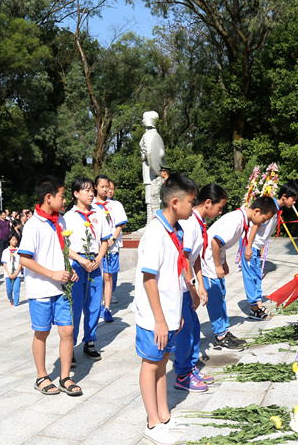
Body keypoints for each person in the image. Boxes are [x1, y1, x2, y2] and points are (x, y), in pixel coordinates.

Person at [135, 172, 197, 445]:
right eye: (191, 202)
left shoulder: (176, 230)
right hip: (153, 316)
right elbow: (149, 279)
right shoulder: (156, 233)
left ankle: (164, 416)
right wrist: (160, 320)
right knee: (151, 364)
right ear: (175, 202)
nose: (193, 207)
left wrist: (176, 313)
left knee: (162, 364)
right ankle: (152, 423)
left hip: (169, 313)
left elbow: (174, 275)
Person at [19, 175, 80, 397]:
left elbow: (62, 250)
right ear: (48, 197)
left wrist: (69, 268)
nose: (64, 201)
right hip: (41, 289)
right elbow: (24, 259)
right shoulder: (33, 225)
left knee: (67, 331)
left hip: (61, 289)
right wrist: (52, 274)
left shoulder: (60, 221)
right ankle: (41, 376)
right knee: (42, 332)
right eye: (62, 196)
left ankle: (65, 377)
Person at [201, 195, 277, 351]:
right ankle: (220, 336)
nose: (262, 223)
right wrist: (218, 265)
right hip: (208, 263)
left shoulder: (242, 219)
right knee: (215, 298)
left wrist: (224, 262)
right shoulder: (236, 220)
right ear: (257, 211)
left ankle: (223, 331)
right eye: (263, 219)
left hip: (214, 260)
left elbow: (222, 244)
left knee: (220, 295)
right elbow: (215, 241)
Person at [173, 183, 228, 392]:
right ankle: (182, 374)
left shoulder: (199, 223)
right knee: (185, 330)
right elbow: (184, 258)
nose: (220, 212)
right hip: (180, 285)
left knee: (194, 327)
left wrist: (201, 285)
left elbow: (196, 259)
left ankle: (190, 367)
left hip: (189, 284)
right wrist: (192, 288)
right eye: (220, 207)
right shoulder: (189, 224)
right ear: (208, 203)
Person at [64, 177, 111, 363]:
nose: (91, 194)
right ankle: (70, 346)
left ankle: (90, 341)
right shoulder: (68, 217)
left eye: (92, 190)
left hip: (95, 263)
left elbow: (105, 240)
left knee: (93, 305)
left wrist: (98, 259)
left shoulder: (98, 213)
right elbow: (64, 246)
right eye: (86, 190)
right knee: (75, 306)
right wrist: (81, 260)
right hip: (77, 264)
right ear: (76, 193)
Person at [243, 181, 298, 321]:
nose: (294, 202)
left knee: (257, 275)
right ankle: (254, 309)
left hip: (256, 246)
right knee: (251, 276)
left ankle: (258, 304)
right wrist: (248, 247)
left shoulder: (276, 209)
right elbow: (255, 226)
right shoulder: (270, 208)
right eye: (293, 199)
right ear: (284, 196)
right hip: (250, 245)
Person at [93, 175, 127, 322]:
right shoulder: (91, 205)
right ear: (95, 187)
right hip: (96, 247)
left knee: (108, 276)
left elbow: (120, 224)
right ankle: (98, 304)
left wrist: (113, 238)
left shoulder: (115, 205)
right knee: (97, 276)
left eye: (107, 186)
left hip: (111, 246)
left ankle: (106, 308)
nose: (106, 189)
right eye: (102, 187)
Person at [1, 234, 23, 306]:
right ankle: (11, 299)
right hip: (8, 274)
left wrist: (16, 273)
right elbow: (4, 263)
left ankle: (16, 304)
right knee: (9, 291)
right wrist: (8, 273)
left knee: (16, 290)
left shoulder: (19, 251)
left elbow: (20, 262)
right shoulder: (5, 251)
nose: (15, 241)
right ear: (9, 240)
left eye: (16, 240)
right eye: (13, 240)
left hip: (17, 274)